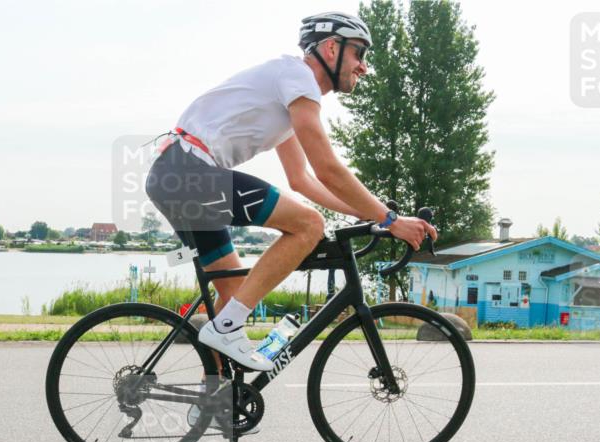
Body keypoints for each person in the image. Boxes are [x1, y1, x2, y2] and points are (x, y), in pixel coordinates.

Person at [145, 12, 437, 372]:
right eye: (359, 54)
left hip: (178, 175)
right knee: (308, 225)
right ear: (331, 48)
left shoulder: (291, 93)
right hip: (190, 171)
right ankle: (225, 330)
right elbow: (328, 169)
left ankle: (216, 399)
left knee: (235, 297)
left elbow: (303, 179)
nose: (363, 67)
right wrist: (389, 219)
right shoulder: (297, 79)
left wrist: (363, 212)